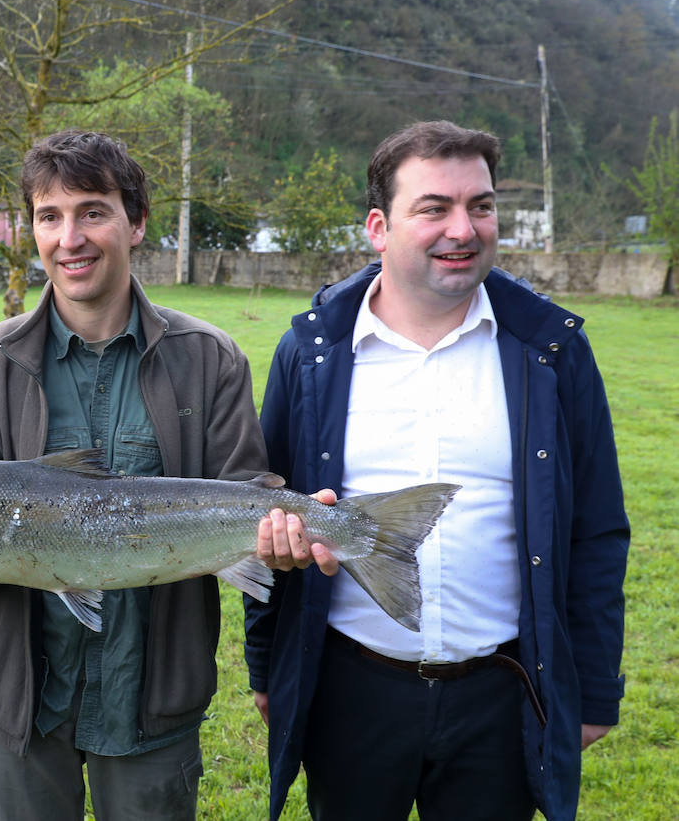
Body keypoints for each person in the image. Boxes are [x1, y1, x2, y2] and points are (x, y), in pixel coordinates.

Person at [0, 129, 333, 821]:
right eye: (49, 216)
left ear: (137, 222)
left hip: (153, 702)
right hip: (19, 704)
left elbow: (247, 501)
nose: (71, 238)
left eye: (93, 211)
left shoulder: (212, 360)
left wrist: (280, 539)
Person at [245, 120, 630, 821]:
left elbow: (598, 530)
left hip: (504, 692)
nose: (465, 227)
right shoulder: (313, 354)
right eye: (434, 208)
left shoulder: (550, 353)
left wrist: (596, 688)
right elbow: (263, 514)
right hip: (352, 688)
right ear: (378, 227)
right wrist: (270, 669)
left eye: (480, 206)